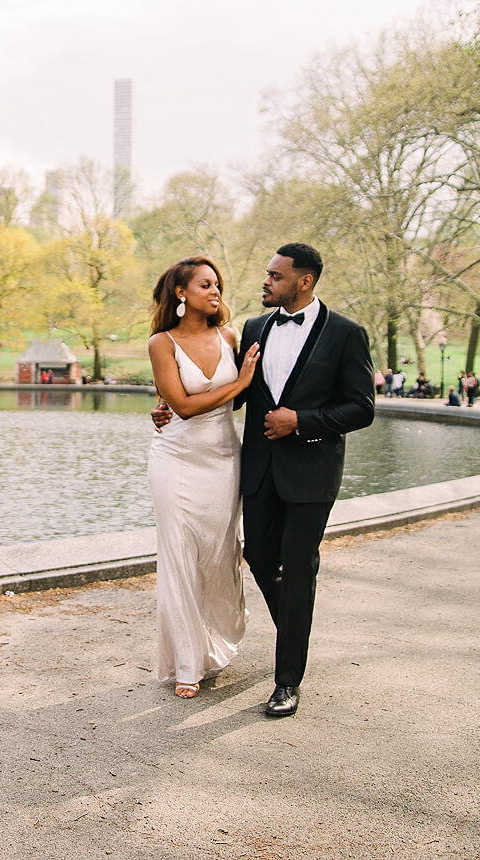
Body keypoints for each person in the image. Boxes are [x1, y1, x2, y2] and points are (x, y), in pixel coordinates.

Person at [154, 243, 375, 718]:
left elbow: (362, 408)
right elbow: (228, 394)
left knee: (298, 568)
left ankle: (286, 680)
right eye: (267, 274)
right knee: (255, 556)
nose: (265, 282)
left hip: (311, 473)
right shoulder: (253, 329)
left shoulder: (345, 334)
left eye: (275, 276)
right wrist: (166, 406)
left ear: (304, 282)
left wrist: (303, 421)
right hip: (254, 471)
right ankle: (296, 632)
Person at [147, 256, 260, 700]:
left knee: (218, 557)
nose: (215, 292)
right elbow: (185, 405)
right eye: (205, 285)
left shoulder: (230, 336)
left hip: (223, 458)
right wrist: (242, 381)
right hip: (175, 458)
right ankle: (187, 665)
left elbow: (241, 400)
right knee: (178, 557)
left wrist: (245, 384)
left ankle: (214, 643)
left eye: (218, 285)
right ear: (181, 293)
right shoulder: (162, 343)